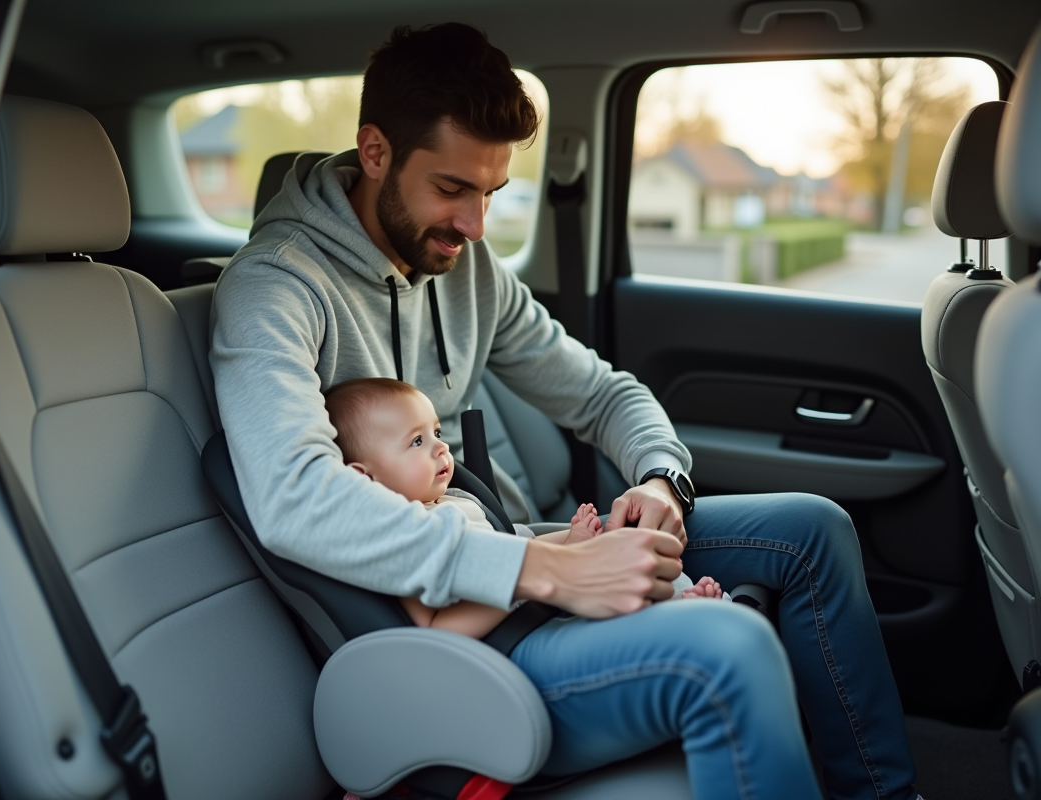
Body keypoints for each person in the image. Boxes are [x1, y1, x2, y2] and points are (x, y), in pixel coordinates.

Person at [210, 22, 923, 800]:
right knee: (730, 644)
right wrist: (545, 569)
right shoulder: (274, 290)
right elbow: (292, 496)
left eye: (490, 194)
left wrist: (661, 483)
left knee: (812, 530)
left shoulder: (466, 267)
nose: (476, 227)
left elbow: (599, 391)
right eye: (452, 189)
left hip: (509, 554)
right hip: (444, 646)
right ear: (374, 152)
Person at [323, 376, 724, 638]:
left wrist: (574, 539)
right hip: (511, 639)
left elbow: (522, 543)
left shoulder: (455, 501)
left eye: (437, 432)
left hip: (537, 605)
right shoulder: (403, 538)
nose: (442, 447)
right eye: (417, 441)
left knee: (636, 560)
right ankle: (683, 624)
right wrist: (518, 587)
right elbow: (439, 628)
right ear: (366, 477)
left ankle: (684, 611)